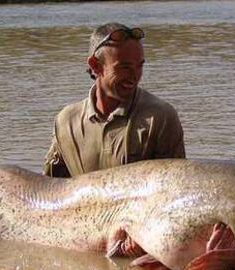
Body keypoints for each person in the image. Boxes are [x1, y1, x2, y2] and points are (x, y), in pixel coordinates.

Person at [43, 23, 185, 177]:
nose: (134, 76)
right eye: (124, 67)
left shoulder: (160, 117)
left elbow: (175, 186)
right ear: (95, 65)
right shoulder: (66, 121)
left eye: (139, 66)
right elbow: (49, 189)